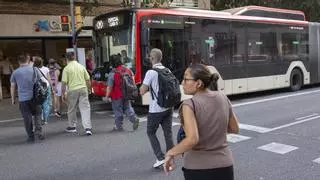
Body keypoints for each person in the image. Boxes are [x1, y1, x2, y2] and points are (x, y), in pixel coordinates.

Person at [163, 63, 240, 180]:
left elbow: (192, 139)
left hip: (198, 168)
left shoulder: (189, 105)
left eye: (186, 79)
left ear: (198, 83)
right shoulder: (222, 97)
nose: (182, 83)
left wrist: (170, 153)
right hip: (225, 165)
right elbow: (234, 129)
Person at [139, 48, 174, 168]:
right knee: (168, 133)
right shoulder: (167, 70)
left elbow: (142, 91)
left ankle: (160, 158)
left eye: (149, 57)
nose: (149, 59)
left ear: (152, 58)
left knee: (150, 132)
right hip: (168, 107)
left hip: (156, 109)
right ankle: (170, 158)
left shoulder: (151, 72)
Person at [10, 54, 45, 142]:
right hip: (35, 97)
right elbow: (42, 81)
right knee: (37, 114)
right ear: (28, 61)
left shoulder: (15, 72)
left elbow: (13, 86)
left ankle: (30, 136)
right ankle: (38, 132)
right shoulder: (35, 69)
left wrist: (13, 99)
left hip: (23, 99)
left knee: (27, 117)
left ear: (19, 62)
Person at [105, 55, 139, 131]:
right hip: (127, 93)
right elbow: (133, 81)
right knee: (127, 108)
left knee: (117, 110)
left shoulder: (112, 73)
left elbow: (109, 87)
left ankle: (119, 126)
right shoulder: (128, 70)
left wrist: (107, 96)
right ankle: (134, 119)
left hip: (116, 95)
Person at [61, 52, 93, 136]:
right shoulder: (81, 66)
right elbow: (88, 80)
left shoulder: (66, 69)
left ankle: (72, 126)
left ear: (66, 59)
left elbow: (64, 83)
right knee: (85, 108)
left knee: (71, 108)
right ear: (74, 57)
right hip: (83, 89)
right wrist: (89, 89)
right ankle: (87, 128)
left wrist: (63, 93)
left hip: (72, 90)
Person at [33, 57, 52, 124]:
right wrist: (51, 87)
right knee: (46, 103)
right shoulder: (46, 69)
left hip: (37, 88)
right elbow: (49, 79)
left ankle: (40, 118)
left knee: (38, 103)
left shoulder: (33, 69)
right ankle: (45, 120)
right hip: (46, 87)